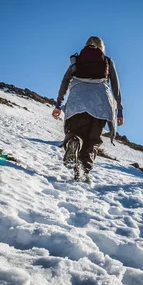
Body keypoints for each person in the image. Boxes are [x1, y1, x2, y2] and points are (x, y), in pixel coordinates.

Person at [52, 36, 123, 181]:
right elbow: (115, 87)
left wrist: (59, 104)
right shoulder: (107, 61)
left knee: (75, 131)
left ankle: (74, 141)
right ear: (101, 47)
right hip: (100, 104)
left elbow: (65, 81)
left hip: (77, 101)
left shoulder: (76, 61)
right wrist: (119, 109)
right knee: (93, 140)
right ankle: (83, 171)